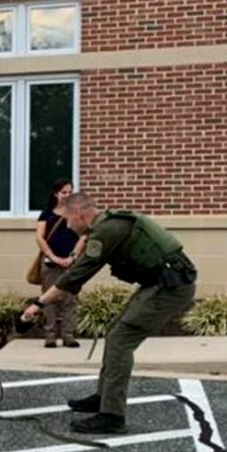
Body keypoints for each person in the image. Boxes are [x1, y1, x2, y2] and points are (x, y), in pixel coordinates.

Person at [22, 192, 198, 435]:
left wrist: (38, 303)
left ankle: (112, 416)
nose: (68, 226)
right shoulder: (106, 226)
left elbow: (76, 275)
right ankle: (103, 398)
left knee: (120, 340)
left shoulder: (105, 231)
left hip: (170, 287)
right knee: (115, 330)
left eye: (67, 220)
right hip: (160, 283)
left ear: (78, 214)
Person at [35, 179, 83, 348]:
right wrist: (54, 257)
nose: (67, 195)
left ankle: (69, 336)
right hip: (51, 263)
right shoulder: (46, 214)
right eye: (64, 192)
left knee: (70, 299)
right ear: (56, 194)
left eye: (70, 192)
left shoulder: (77, 213)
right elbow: (40, 238)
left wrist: (73, 257)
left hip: (71, 263)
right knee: (49, 299)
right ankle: (50, 336)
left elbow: (84, 236)